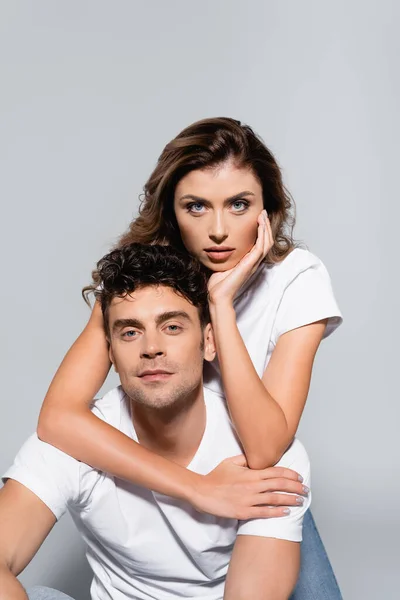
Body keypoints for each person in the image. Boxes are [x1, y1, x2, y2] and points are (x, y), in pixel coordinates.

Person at [37, 118, 343, 597]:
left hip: (253, 487)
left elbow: (265, 449)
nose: (218, 230)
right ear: (172, 211)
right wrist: (195, 487)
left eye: (239, 205)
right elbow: (58, 418)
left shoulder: (296, 279)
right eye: (196, 206)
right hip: (162, 480)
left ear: (268, 211)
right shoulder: (145, 278)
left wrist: (220, 304)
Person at [1, 244, 311, 600]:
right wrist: (199, 488)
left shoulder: (262, 456)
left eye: (173, 327)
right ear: (111, 353)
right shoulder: (73, 443)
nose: (152, 347)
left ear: (209, 342)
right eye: (130, 332)